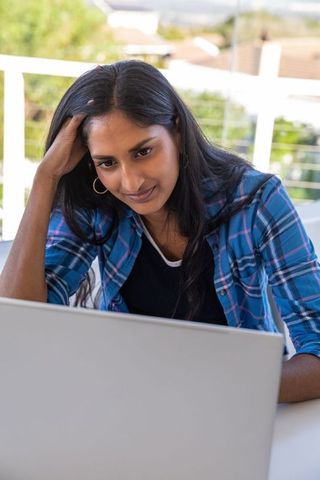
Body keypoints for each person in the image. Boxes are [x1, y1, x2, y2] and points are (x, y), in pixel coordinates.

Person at [0, 60, 319, 403]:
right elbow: (19, 323)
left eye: (143, 151)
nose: (131, 182)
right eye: (107, 162)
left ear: (177, 133)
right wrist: (46, 178)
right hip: (126, 402)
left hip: (234, 407)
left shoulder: (256, 201)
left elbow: (315, 346)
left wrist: (214, 391)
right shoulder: (97, 205)